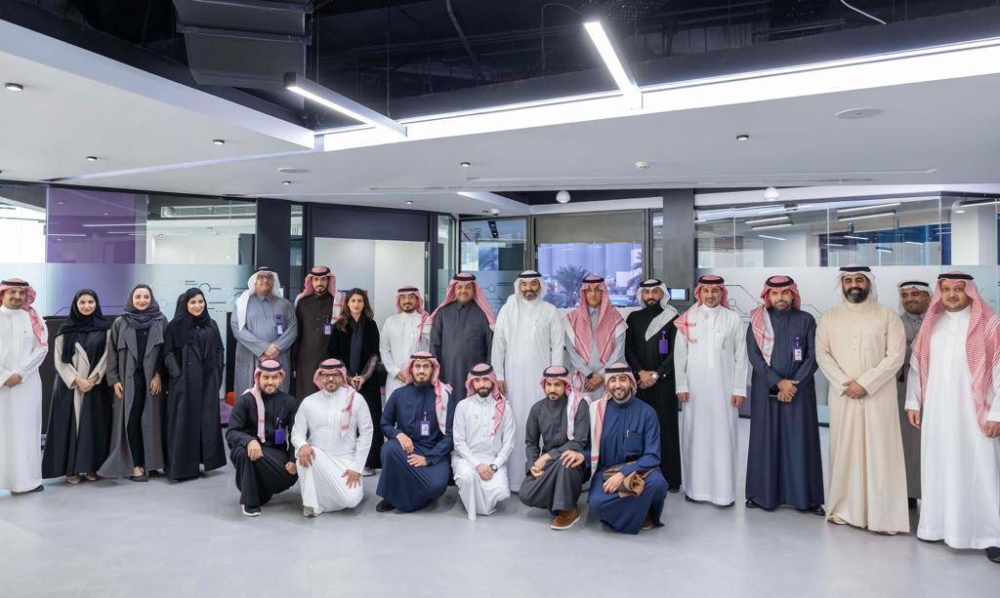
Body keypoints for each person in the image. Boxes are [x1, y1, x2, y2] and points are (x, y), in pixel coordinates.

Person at [905, 272, 1000, 563]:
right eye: (946, 289)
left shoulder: (990, 324)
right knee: (938, 465)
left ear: (970, 291)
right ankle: (936, 527)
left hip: (976, 412)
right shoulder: (932, 323)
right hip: (937, 410)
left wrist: (997, 413)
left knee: (981, 470)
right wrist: (913, 401)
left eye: (958, 289)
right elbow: (917, 367)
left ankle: (990, 535)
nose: (952, 294)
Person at [816, 266, 908, 534]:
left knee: (881, 452)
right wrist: (846, 383)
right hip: (843, 395)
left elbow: (896, 356)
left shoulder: (888, 316)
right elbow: (823, 355)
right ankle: (845, 510)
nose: (853, 284)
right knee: (845, 450)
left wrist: (865, 384)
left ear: (868, 284)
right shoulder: (830, 317)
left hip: (879, 396)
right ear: (841, 284)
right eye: (848, 280)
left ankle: (884, 516)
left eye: (859, 280)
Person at [745, 275, 825, 514]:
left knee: (800, 442)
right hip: (765, 389)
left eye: (784, 293)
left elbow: (814, 356)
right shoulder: (758, 321)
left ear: (792, 294)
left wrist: (793, 385)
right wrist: (778, 382)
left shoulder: (807, 320)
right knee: (765, 442)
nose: (780, 297)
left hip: (800, 391)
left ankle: (806, 499)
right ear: (768, 296)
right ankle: (761, 495)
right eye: (775, 293)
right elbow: (754, 356)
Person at [674, 275, 748, 506]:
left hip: (724, 391)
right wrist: (681, 385)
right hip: (694, 391)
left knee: (724, 438)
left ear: (722, 293)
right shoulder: (687, 318)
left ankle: (724, 493)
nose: (710, 295)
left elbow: (741, 356)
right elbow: (680, 355)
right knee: (694, 437)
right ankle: (695, 490)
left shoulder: (732, 318)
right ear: (699, 292)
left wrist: (739, 389)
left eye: (715, 290)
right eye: (706, 290)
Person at [491, 270, 563, 491]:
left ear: (540, 286)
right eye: (524, 284)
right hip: (513, 378)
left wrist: (556, 378)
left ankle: (542, 478)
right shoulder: (507, 310)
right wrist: (499, 375)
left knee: (542, 423)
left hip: (543, 380)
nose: (529, 288)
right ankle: (515, 479)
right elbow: (498, 344)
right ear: (519, 286)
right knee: (515, 423)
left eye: (533, 284)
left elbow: (557, 346)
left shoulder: (550, 311)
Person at [587, 364, 668, 534]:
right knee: (596, 502)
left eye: (622, 379)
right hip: (606, 472)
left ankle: (644, 512)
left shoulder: (647, 412)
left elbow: (652, 456)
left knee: (658, 484)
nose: (617, 385)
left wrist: (624, 473)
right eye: (613, 380)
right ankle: (640, 509)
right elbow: (589, 448)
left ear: (631, 382)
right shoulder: (597, 411)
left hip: (639, 470)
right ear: (607, 384)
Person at [42, 289, 112, 484]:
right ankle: (71, 469)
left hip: (95, 386)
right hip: (69, 387)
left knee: (95, 426)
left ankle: (92, 467)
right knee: (68, 427)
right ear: (75, 305)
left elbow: (108, 356)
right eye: (82, 302)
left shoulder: (105, 328)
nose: (87, 306)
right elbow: (59, 360)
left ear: (96, 304)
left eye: (91, 302)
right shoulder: (65, 329)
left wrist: (93, 378)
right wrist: (77, 380)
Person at [99, 284, 168, 482]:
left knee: (151, 421)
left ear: (151, 299)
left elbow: (166, 352)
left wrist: (159, 375)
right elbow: (111, 353)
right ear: (131, 298)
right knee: (131, 420)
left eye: (146, 297)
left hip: (151, 380)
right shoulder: (121, 322)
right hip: (127, 381)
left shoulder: (161, 321)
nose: (142, 300)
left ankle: (151, 463)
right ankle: (135, 464)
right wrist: (114, 380)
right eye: (138, 297)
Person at [292, 358, 374, 517]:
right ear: (319, 377)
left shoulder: (356, 399)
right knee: (305, 453)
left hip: (346, 460)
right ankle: (312, 504)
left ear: (342, 376)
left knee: (351, 500)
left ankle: (323, 501)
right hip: (318, 459)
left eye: (335, 375)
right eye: (326, 375)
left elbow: (366, 432)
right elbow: (297, 432)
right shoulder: (309, 402)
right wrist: (302, 445)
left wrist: (357, 467)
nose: (330, 379)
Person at [376, 351, 453, 513]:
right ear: (411, 369)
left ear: (433, 370)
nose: (421, 370)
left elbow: (450, 435)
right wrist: (398, 434)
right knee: (389, 449)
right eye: (417, 366)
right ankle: (392, 497)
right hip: (407, 449)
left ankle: (411, 496)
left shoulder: (444, 396)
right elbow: (384, 423)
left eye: (426, 366)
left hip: (434, 451)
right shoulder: (399, 394)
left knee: (436, 486)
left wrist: (428, 459)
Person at [162, 288, 226, 482]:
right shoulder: (175, 326)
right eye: (193, 302)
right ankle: (182, 469)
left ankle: (204, 461)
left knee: (206, 422)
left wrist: (217, 373)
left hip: (208, 382)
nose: (198, 306)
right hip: (185, 383)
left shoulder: (211, 325)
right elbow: (167, 353)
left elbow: (219, 349)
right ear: (185, 305)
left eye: (200, 301)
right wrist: (177, 374)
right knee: (183, 423)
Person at [624, 278, 681, 491]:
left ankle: (670, 479)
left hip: (664, 383)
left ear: (662, 294)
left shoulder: (673, 318)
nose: (651, 296)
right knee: (640, 429)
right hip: (640, 384)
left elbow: (677, 352)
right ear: (641, 295)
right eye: (647, 292)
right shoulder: (633, 318)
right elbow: (628, 350)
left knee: (666, 429)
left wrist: (657, 374)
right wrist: (640, 372)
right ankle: (641, 476)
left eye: (655, 292)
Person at [518, 365, 590, 530]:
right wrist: (533, 465)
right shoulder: (537, 409)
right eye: (548, 384)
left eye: (557, 384)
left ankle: (568, 511)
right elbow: (531, 443)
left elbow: (579, 442)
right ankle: (560, 500)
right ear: (543, 385)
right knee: (525, 494)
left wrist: (546, 457)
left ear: (566, 385)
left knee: (565, 460)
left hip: (574, 463)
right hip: (549, 465)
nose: (552, 389)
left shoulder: (579, 405)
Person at [226, 359, 298, 517]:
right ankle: (249, 502)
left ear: (281, 378)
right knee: (245, 453)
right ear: (257, 378)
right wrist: (249, 440)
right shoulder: (245, 400)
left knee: (292, 474)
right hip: (247, 453)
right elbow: (231, 432)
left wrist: (293, 459)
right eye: (266, 377)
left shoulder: (289, 402)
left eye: (274, 377)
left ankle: (259, 491)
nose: (270, 382)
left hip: (274, 456)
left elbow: (296, 433)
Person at [0, 278, 48, 494]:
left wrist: (19, 374)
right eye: (12, 292)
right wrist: (4, 376)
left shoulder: (34, 319)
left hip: (27, 385)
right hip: (1, 387)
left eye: (21, 293)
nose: (17, 296)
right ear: (3, 293)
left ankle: (26, 482)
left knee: (27, 433)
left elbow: (42, 349)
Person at [328, 288, 381, 476]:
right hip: (344, 381)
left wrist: (364, 376)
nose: (356, 304)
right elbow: (334, 354)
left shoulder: (371, 325)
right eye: (353, 301)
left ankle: (369, 462)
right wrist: (348, 377)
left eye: (360, 301)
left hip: (368, 380)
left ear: (364, 303)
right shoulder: (339, 325)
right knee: (345, 418)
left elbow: (374, 354)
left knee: (369, 419)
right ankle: (346, 459)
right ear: (347, 304)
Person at [452, 363, 515, 520]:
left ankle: (471, 497)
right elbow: (458, 442)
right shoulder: (463, 406)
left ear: (493, 381)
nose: (482, 384)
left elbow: (509, 443)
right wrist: (477, 465)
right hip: (466, 460)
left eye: (486, 380)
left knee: (501, 491)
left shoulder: (504, 407)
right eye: (477, 380)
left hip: (492, 462)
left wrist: (494, 466)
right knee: (467, 477)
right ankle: (470, 496)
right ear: (471, 382)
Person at [430, 273, 494, 414]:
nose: (463, 291)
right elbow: (434, 346)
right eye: (459, 287)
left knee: (475, 413)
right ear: (454, 289)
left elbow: (491, 346)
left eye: (468, 287)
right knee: (449, 411)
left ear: (474, 290)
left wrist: (488, 373)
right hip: (447, 373)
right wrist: (434, 374)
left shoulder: (483, 314)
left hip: (477, 376)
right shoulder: (442, 314)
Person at [232, 267, 298, 393]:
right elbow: (237, 328)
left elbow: (293, 329)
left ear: (274, 281)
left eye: (269, 277)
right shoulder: (242, 303)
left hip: (277, 355)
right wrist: (263, 349)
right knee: (250, 395)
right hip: (251, 356)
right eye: (261, 277)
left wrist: (276, 347)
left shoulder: (285, 304)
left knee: (278, 393)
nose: (265, 280)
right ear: (254, 281)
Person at [566, 274, 626, 401]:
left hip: (608, 379)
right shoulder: (572, 319)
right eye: (589, 290)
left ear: (603, 292)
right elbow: (571, 353)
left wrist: (601, 375)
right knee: (583, 412)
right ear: (583, 293)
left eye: (597, 290)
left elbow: (618, 352)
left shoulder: (615, 318)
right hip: (582, 379)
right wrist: (589, 374)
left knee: (607, 411)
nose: (593, 294)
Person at [897, 279, 930, 508]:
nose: (910, 299)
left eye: (915, 294)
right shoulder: (896, 323)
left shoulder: (940, 321)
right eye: (905, 295)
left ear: (928, 296)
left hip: (937, 386)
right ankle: (909, 492)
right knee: (908, 441)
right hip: (903, 384)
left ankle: (934, 493)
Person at [292, 266, 338, 401]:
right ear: (311, 281)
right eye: (316, 279)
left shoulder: (336, 302)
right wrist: (293, 364)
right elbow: (297, 335)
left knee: (328, 397)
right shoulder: (302, 303)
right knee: (306, 397)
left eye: (323, 279)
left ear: (328, 281)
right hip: (305, 361)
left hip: (329, 358)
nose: (319, 283)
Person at [381, 286, 431, 401]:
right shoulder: (390, 322)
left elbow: (430, 349)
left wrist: (418, 372)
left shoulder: (425, 321)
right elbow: (384, 349)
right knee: (394, 410)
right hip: (395, 379)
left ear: (417, 300)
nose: (407, 300)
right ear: (399, 301)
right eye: (403, 297)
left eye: (411, 297)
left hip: (419, 377)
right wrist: (395, 371)